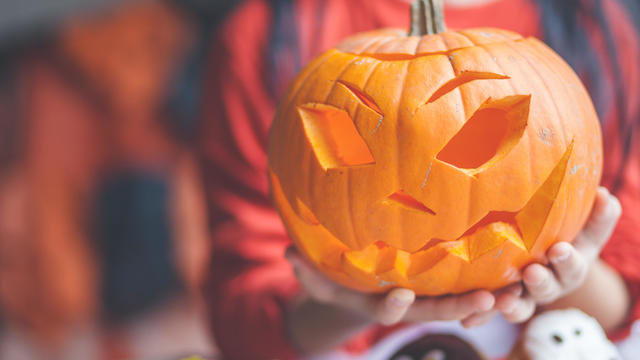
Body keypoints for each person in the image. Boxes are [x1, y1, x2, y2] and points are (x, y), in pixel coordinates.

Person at [200, 0, 640, 358]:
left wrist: (572, 275)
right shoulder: (271, 36)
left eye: (480, 139)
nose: (404, 196)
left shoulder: (591, 26)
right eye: (350, 149)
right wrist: (345, 304)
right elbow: (241, 324)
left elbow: (626, 299)